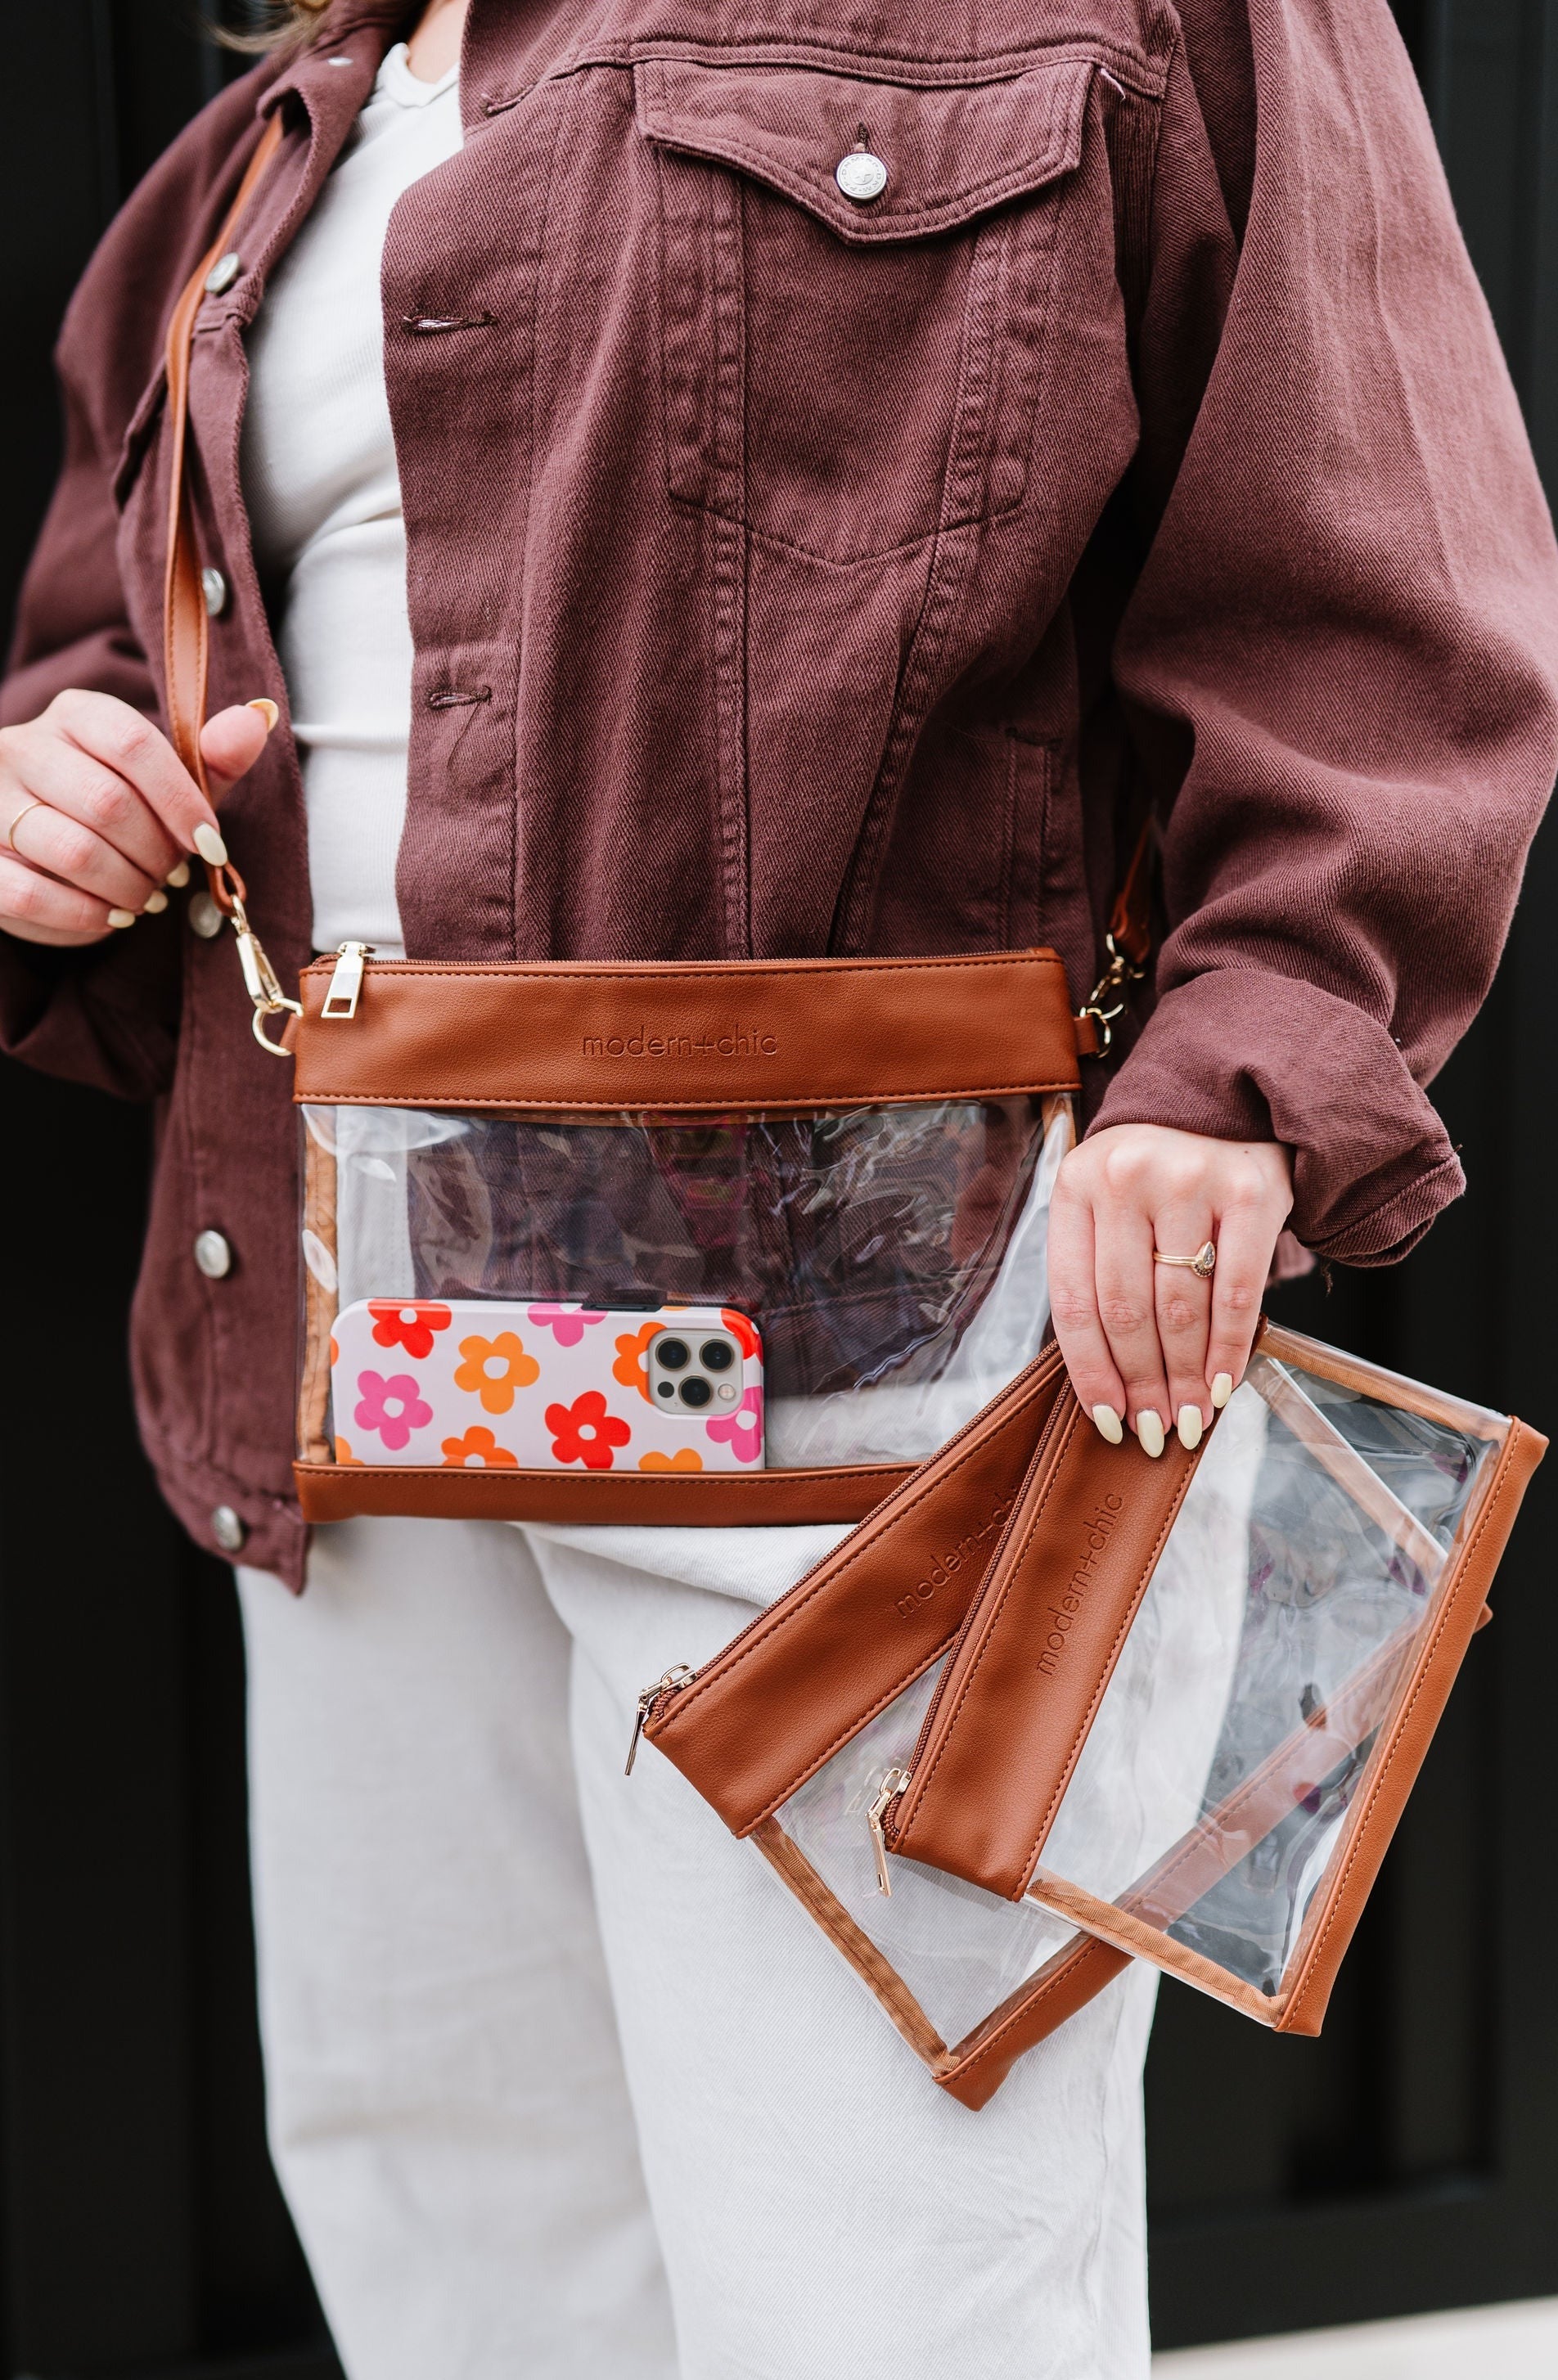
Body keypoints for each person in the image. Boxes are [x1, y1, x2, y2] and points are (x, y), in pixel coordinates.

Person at [2, 1, 1554, 2373]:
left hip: (863, 1387)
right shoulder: (267, 138)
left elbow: (1378, 585)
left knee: (892, 2290)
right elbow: (114, 637)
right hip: (353, 1379)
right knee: (470, 2263)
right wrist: (64, 774)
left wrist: (1239, 1067)